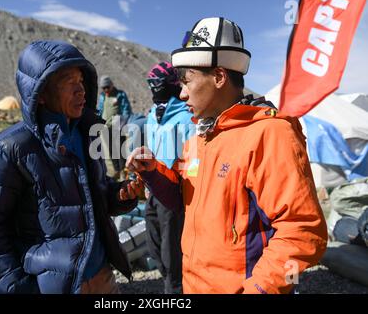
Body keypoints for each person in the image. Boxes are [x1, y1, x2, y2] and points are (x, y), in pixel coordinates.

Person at [126, 17, 328, 294]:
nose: (182, 94)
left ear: (219, 77)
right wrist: (152, 171)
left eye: (187, 82)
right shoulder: (198, 139)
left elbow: (303, 233)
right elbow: (184, 201)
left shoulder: (270, 134)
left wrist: (261, 288)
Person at [0, 40, 143, 294]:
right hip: (52, 286)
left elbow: (94, 196)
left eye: (82, 81)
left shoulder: (87, 136)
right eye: (69, 82)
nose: (81, 90)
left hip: (102, 276)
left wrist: (119, 195)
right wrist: (19, 289)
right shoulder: (7, 151)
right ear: (41, 93)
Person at [144, 61, 194, 294]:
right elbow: (150, 148)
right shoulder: (152, 116)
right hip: (154, 186)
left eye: (157, 84)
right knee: (153, 242)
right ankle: (170, 278)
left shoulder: (186, 116)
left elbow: (192, 155)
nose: (153, 88)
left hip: (174, 188)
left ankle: (174, 288)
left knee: (170, 245)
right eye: (150, 84)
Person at [97, 76, 132, 179]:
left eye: (107, 87)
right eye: (104, 88)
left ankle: (123, 171)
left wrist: (123, 123)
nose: (106, 90)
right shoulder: (102, 96)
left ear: (112, 85)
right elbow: (100, 109)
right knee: (111, 150)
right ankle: (117, 170)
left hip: (118, 125)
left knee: (121, 150)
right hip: (106, 127)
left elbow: (126, 109)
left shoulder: (120, 95)